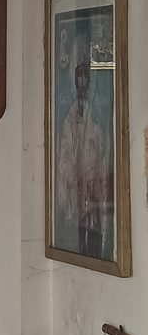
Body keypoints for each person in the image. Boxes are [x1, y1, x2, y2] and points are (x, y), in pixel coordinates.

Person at [55, 52, 111, 259]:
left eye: (86, 76)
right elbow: (66, 143)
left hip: (92, 176)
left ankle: (95, 252)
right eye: (79, 77)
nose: (82, 81)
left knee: (93, 221)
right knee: (80, 223)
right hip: (77, 177)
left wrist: (91, 136)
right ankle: (81, 251)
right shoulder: (71, 113)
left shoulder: (93, 109)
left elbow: (100, 138)